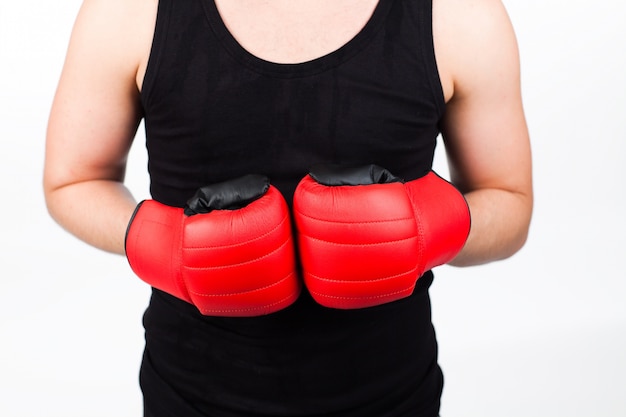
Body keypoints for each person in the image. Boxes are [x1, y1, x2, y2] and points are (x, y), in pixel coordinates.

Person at [43, 0, 533, 415]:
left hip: (394, 394)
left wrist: (431, 229)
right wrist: (161, 242)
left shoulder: (459, 13)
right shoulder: (130, 9)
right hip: (189, 394)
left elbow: (509, 203)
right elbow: (73, 180)